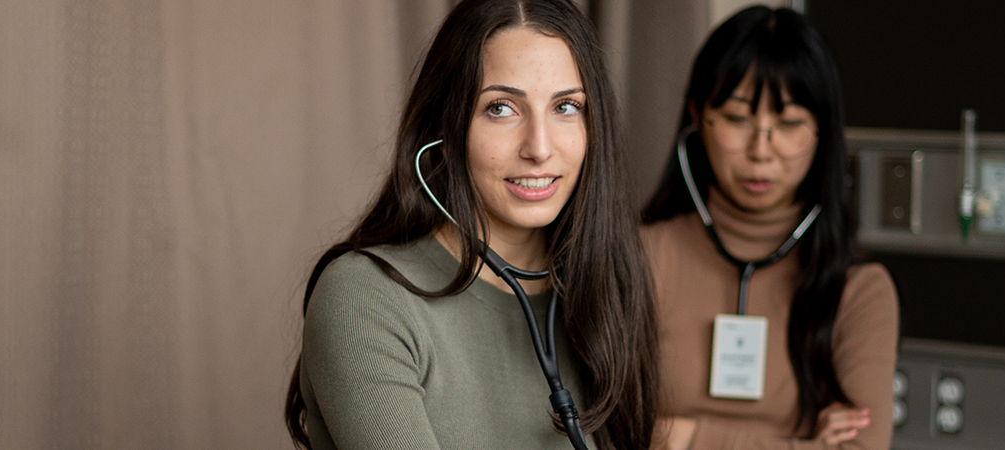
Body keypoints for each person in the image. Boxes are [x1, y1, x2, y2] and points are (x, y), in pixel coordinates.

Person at [281, 0, 658, 448]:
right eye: (501, 108)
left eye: (566, 107)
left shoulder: (602, 291)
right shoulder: (366, 299)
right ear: (445, 125)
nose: (539, 147)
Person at [639, 6, 897, 449]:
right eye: (738, 119)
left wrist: (683, 436)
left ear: (823, 133)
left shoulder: (860, 290)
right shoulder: (639, 256)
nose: (761, 149)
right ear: (698, 116)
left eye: (790, 123)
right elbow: (602, 426)